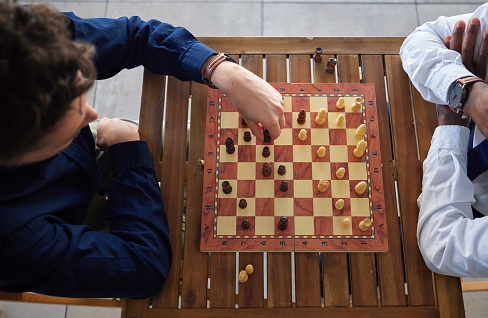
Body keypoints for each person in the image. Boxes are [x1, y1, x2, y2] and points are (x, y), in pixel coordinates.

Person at [0, 3, 284, 298]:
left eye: (78, 90)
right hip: (63, 230)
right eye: (70, 111)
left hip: (83, 160)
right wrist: (126, 151)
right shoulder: (16, 241)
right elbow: (144, 267)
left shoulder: (21, 42)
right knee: (212, 249)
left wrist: (222, 71)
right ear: (25, 150)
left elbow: (135, 36)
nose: (92, 113)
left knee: (213, 145)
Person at [403, 1, 488, 277]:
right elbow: (421, 38)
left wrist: (453, 122)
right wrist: (469, 94)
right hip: (447, 131)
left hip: (477, 216)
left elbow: (444, 247)